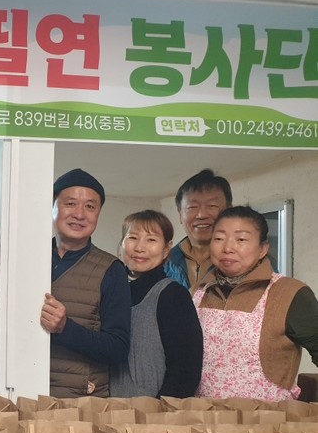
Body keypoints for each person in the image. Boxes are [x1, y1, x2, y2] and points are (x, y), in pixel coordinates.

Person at [193, 206, 318, 401]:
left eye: (241, 239)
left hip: (267, 417)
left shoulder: (290, 293)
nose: (228, 248)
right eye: (219, 238)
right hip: (201, 415)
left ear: (263, 249)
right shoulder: (197, 292)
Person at [40, 168, 130, 398]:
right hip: (25, 392)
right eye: (70, 203)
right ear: (52, 207)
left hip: (82, 402)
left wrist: (65, 328)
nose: (79, 214)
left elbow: (118, 349)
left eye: (90, 207)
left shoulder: (111, 269)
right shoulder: (27, 258)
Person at [109, 210, 203, 398]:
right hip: (106, 408)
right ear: (122, 243)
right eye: (133, 238)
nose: (139, 248)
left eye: (151, 240)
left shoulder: (173, 295)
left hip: (153, 412)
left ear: (166, 249)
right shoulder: (110, 291)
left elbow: (185, 370)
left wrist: (161, 410)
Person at [165, 169, 232, 289]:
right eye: (192, 207)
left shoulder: (246, 262)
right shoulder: (164, 262)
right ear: (180, 214)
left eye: (212, 206)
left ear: (229, 211)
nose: (201, 215)